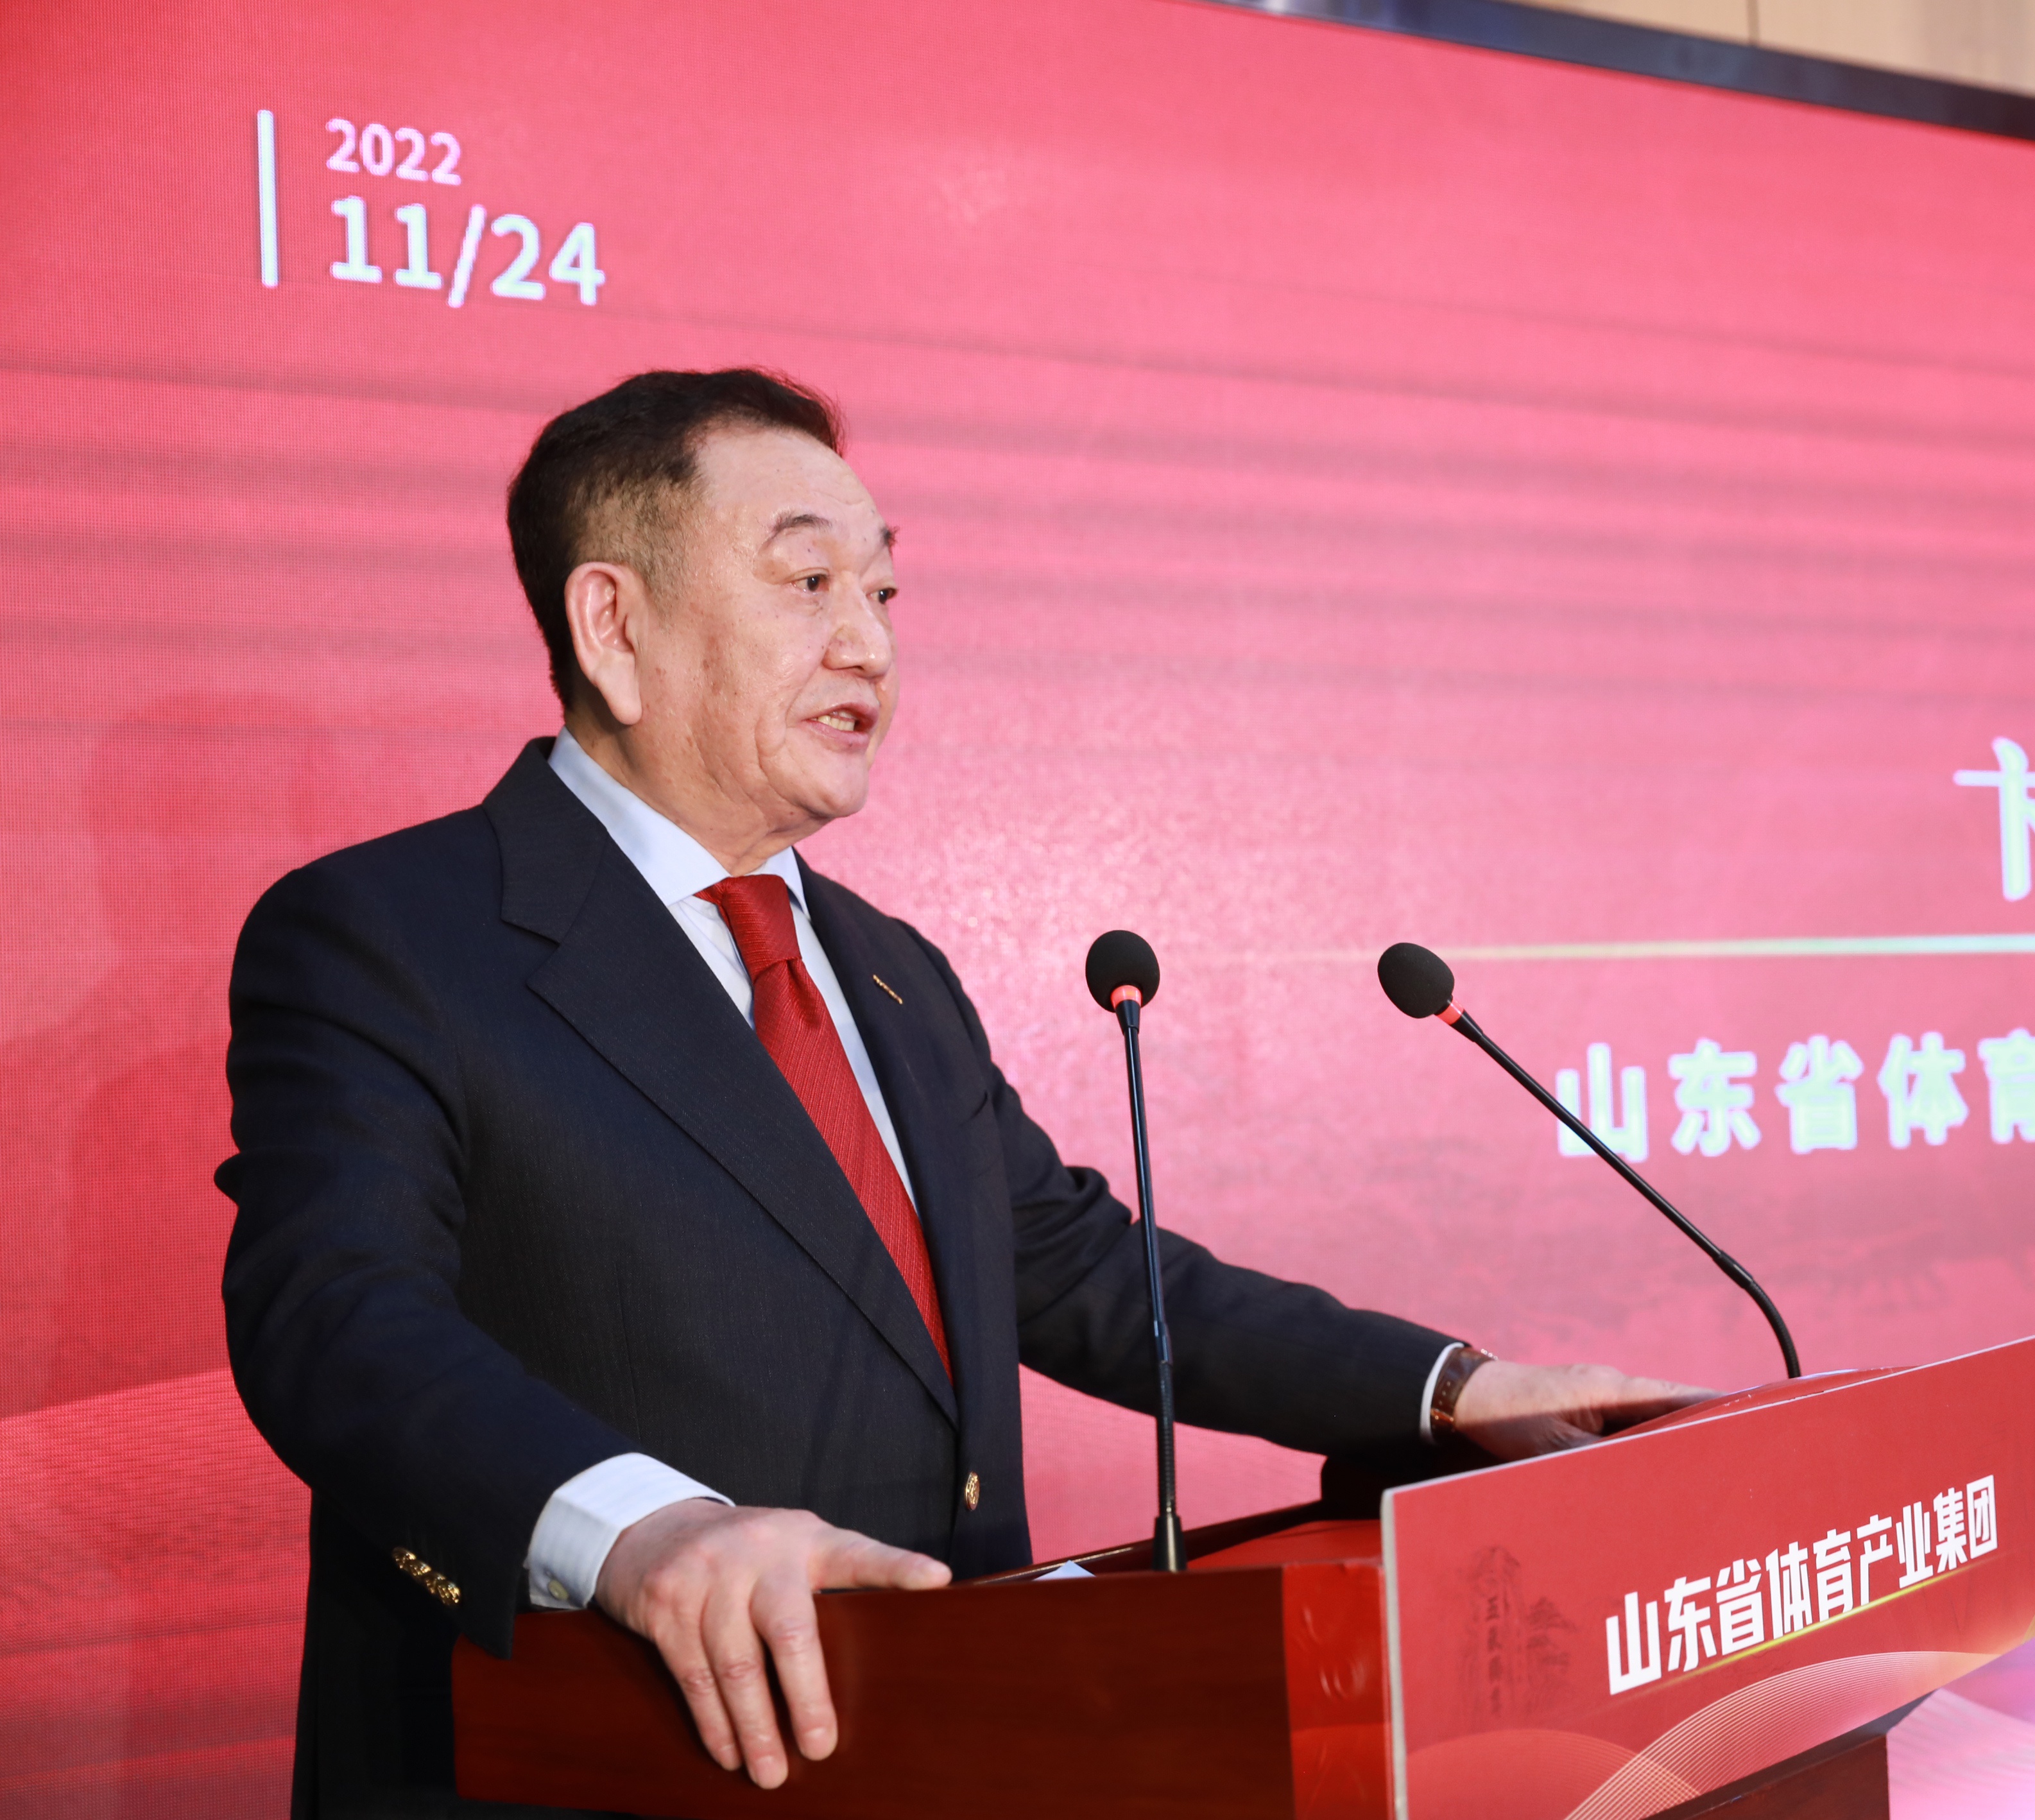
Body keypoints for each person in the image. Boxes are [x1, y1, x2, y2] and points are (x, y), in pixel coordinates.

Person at [219, 368, 1708, 1817]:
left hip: (953, 1742)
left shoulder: (886, 968)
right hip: (598, 1753)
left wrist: (1444, 1388)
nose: (867, 645)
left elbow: (1067, 1265)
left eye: (882, 592)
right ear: (613, 623)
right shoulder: (390, 934)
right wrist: (640, 1530)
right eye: (809, 584)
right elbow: (334, 1313)